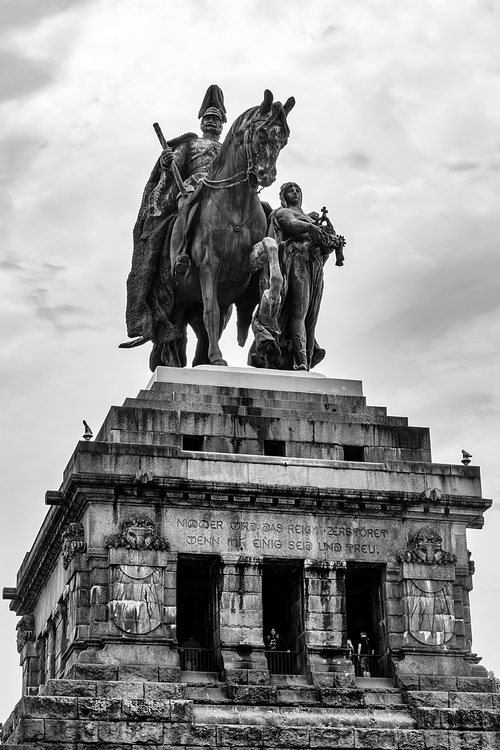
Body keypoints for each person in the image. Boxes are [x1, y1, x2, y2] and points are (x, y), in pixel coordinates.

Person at [123, 85, 227, 367]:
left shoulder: (230, 148)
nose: (211, 122)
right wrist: (168, 161)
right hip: (193, 188)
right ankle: (181, 254)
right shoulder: (191, 144)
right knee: (188, 208)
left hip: (224, 193)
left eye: (216, 119)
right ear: (202, 122)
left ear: (223, 124)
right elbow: (175, 166)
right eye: (208, 117)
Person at [249, 181, 343, 371]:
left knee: (310, 317)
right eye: (290, 190)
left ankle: (304, 359)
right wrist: (311, 228)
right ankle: (300, 361)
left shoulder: (311, 219)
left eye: (297, 190)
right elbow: (290, 225)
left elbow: (324, 249)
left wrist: (332, 242)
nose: (295, 192)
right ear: (283, 196)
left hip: (314, 266)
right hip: (296, 261)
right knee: (299, 313)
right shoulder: (283, 212)